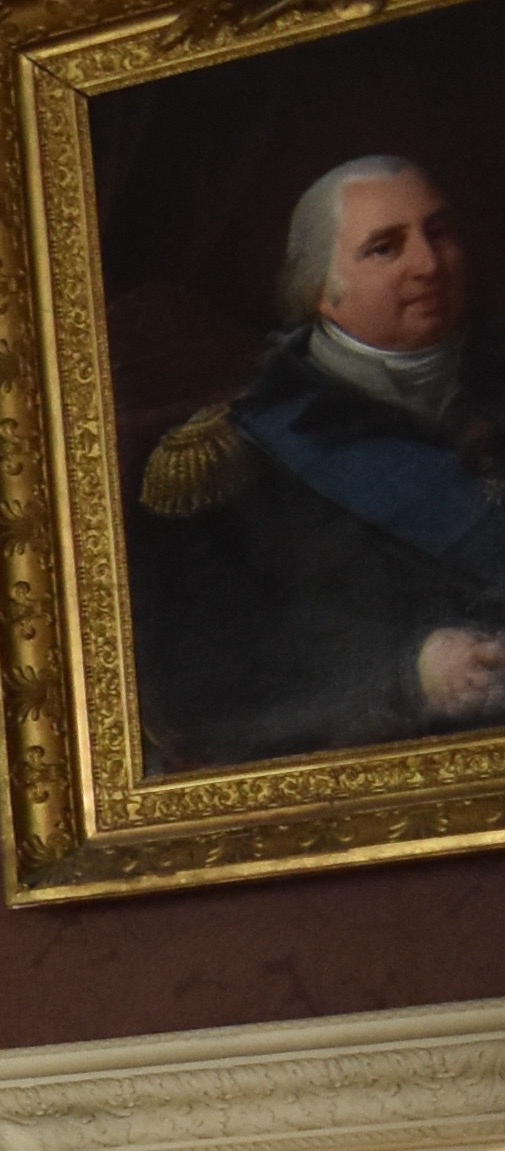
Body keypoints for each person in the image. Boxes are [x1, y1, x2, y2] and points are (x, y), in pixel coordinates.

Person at [130, 153, 505, 772]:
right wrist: (408, 671)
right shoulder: (234, 463)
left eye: (439, 234)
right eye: (385, 248)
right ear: (323, 292)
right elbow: (201, 676)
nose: (429, 264)